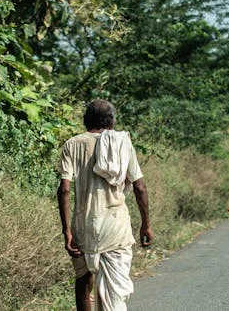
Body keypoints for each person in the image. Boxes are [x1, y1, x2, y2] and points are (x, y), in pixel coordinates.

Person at [57, 99, 153, 311]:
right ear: (111, 122)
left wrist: (67, 231)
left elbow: (64, 189)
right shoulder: (122, 143)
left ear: (85, 120)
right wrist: (146, 224)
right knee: (114, 294)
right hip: (115, 227)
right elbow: (140, 187)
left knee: (83, 282)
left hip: (83, 226)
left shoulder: (72, 144)